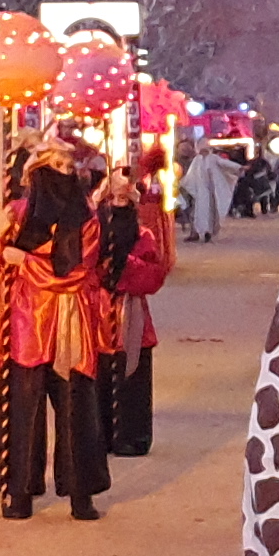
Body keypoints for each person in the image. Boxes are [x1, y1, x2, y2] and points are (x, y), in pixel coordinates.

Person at [0, 122, 116, 523]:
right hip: (29, 323)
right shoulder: (16, 214)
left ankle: (81, 493)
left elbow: (78, 269)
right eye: (56, 164)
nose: (64, 170)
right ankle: (20, 492)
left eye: (69, 165)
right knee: (24, 407)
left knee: (76, 408)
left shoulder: (88, 219)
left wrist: (26, 259)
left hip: (72, 320)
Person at [103, 146, 178, 455]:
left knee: (133, 377)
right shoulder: (96, 231)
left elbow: (153, 274)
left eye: (124, 200)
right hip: (101, 314)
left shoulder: (143, 234)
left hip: (132, 315)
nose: (119, 205)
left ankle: (133, 436)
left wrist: (125, 269)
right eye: (114, 200)